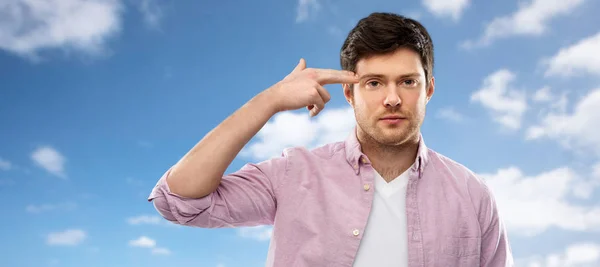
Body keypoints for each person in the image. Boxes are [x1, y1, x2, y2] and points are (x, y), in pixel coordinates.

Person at [148, 12, 514, 267]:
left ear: (429, 89)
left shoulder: (472, 195)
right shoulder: (295, 174)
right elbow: (179, 200)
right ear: (349, 94)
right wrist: (269, 100)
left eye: (407, 81)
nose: (392, 98)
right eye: (373, 83)